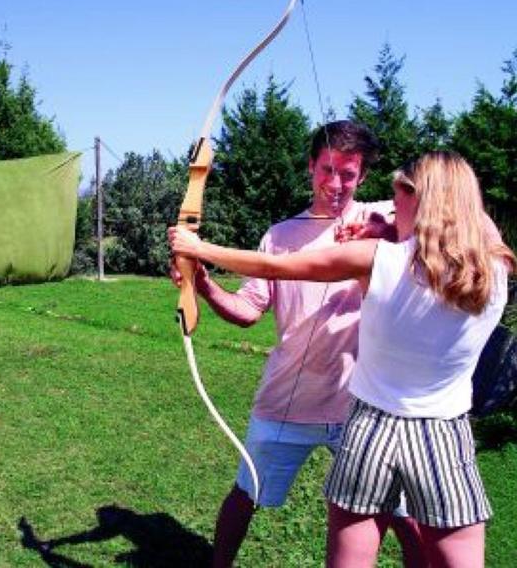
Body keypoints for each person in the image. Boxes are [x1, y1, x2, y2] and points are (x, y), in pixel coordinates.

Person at [169, 151, 515, 567]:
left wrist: (197, 247)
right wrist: (391, 226)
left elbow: (275, 267)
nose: (336, 184)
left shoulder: (378, 257)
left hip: (368, 425)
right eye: (327, 170)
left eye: (395, 195)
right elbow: (471, 225)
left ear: (413, 196)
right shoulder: (495, 266)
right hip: (441, 433)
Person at [171, 120, 423, 567]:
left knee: (402, 510)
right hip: (288, 399)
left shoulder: (386, 224)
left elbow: (439, 225)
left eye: (348, 174)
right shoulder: (281, 237)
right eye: (327, 169)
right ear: (311, 167)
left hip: (363, 408)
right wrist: (205, 286)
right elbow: (248, 311)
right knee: (245, 494)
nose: (336, 184)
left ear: (362, 177)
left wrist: (383, 234)